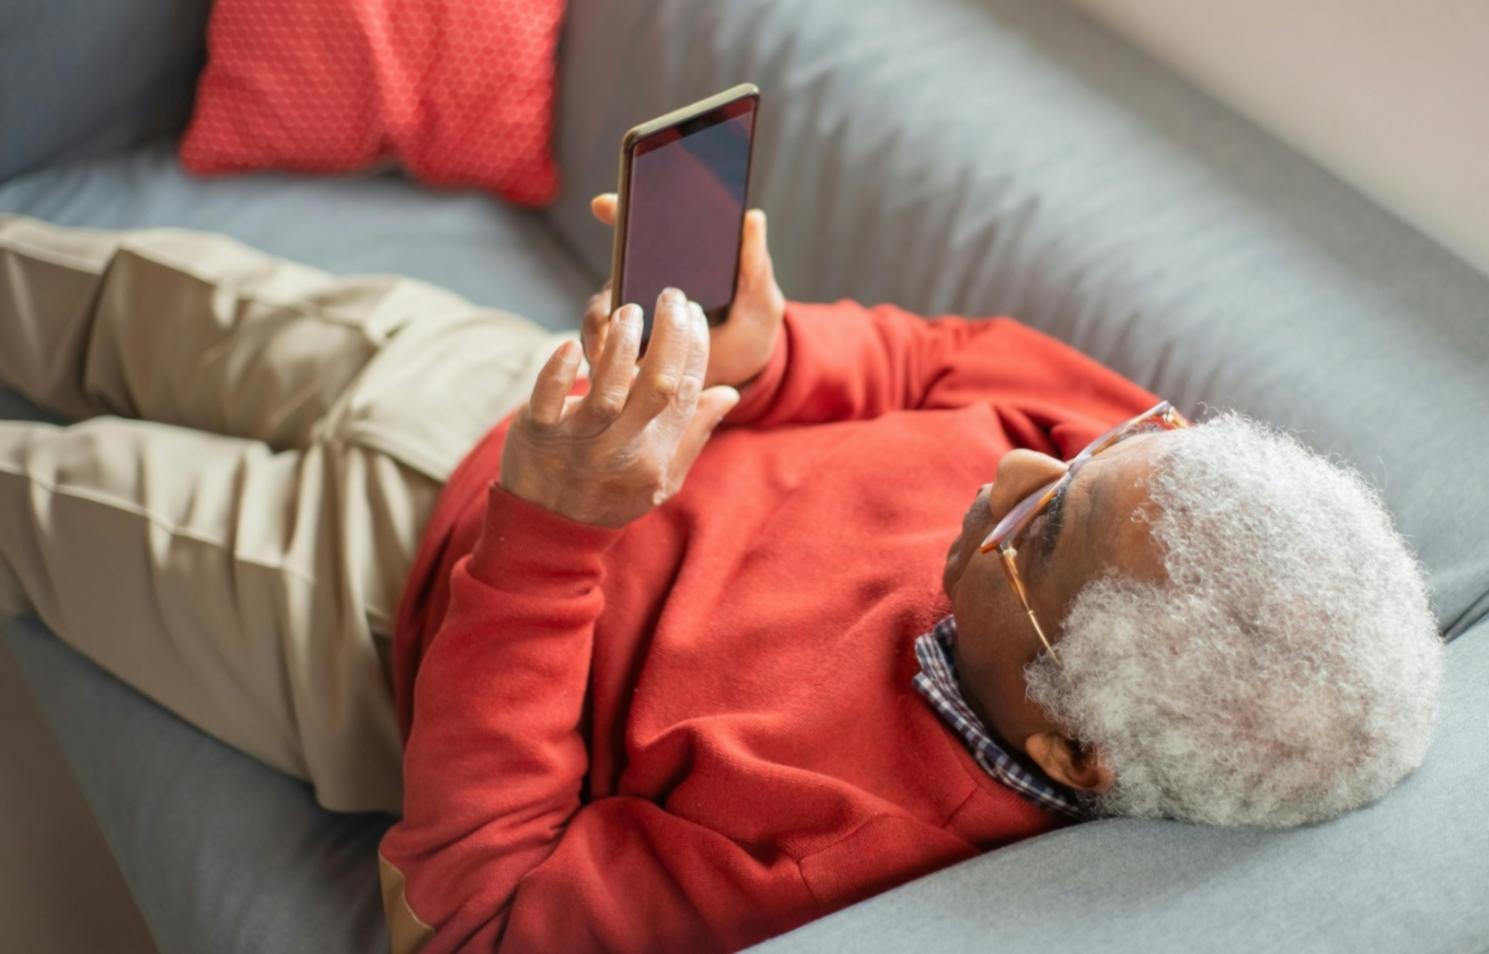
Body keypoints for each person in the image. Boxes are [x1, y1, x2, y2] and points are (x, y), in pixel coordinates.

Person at [0, 198, 1443, 954]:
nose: (1013, 474)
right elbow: (942, 360)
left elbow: (477, 910)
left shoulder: (840, 859)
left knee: (24, 502)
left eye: (1038, 536)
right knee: (112, 291)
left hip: (365, 609)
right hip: (520, 390)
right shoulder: (1142, 485)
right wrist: (773, 352)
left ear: (1071, 735)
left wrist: (550, 532)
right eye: (1098, 454)